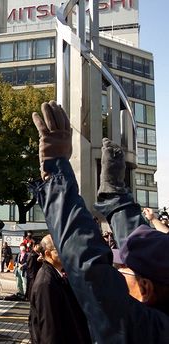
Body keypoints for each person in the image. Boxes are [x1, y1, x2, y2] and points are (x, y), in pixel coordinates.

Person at [31, 100, 169, 343]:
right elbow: (146, 247)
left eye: (124, 272)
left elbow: (88, 266)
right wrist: (116, 197)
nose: (119, 273)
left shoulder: (146, 331)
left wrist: (56, 173)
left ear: (145, 288)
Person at [29, 234, 91, 344]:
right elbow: (49, 328)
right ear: (48, 254)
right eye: (59, 249)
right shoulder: (46, 283)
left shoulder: (56, 274)